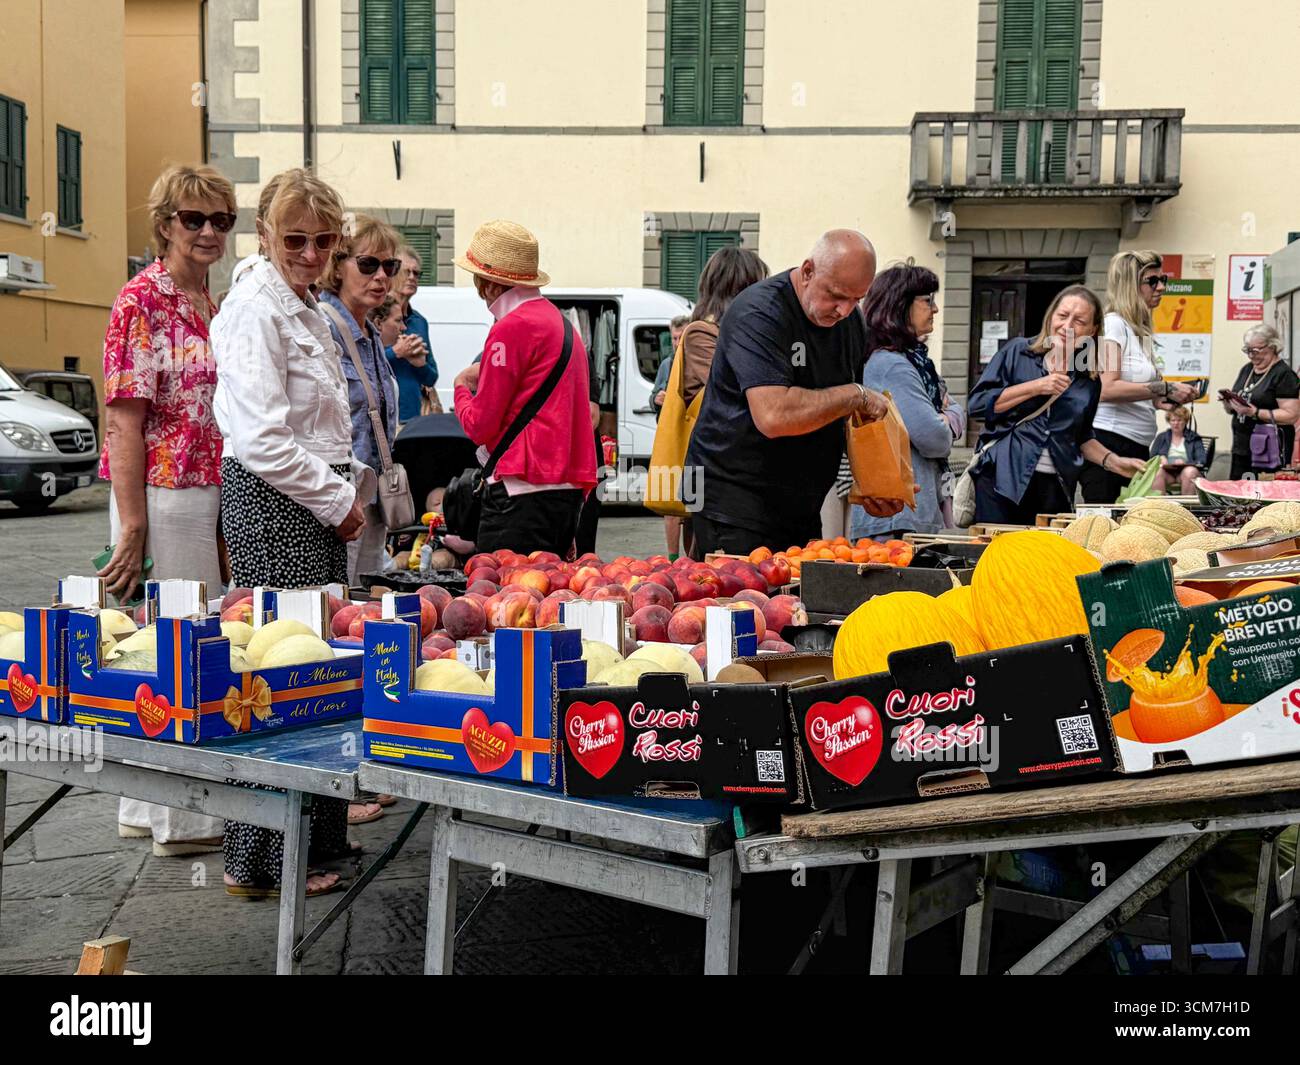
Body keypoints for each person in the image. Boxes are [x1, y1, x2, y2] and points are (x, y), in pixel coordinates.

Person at [212, 169, 377, 898]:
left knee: (320, 662)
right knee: (277, 677)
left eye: (322, 240)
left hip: (305, 501)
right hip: (279, 502)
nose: (311, 253)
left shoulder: (304, 305)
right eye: (296, 240)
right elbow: (260, 439)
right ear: (266, 237)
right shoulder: (256, 307)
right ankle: (262, 858)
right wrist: (338, 497)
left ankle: (317, 839)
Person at [100, 164, 235, 857]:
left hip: (199, 490)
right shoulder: (141, 300)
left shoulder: (210, 300)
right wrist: (133, 525)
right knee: (176, 650)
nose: (209, 231)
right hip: (162, 493)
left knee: (170, 644)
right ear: (165, 224)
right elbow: (124, 421)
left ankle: (140, 805)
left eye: (221, 219)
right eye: (194, 219)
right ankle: (183, 823)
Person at [683, 230, 897, 555]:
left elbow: (845, 417)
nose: (844, 309)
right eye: (836, 295)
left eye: (857, 299)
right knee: (745, 603)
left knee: (797, 602)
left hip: (801, 506)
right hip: (734, 503)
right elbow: (773, 415)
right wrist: (855, 394)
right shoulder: (759, 312)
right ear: (808, 271)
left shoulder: (851, 323)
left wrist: (869, 482)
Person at [452, 220, 597, 554]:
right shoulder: (561, 324)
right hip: (565, 493)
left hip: (520, 493)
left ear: (487, 283)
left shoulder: (511, 328)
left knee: (498, 600)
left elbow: (480, 425)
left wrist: (461, 386)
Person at [969, 285, 1148, 525]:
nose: (1067, 326)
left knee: (1046, 559)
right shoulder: (1018, 352)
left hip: (1056, 487)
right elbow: (978, 406)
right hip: (1003, 479)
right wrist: (1036, 386)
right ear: (1051, 316)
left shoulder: (1089, 380)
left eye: (1079, 321)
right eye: (1063, 316)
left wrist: (1115, 461)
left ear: (1092, 330)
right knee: (999, 556)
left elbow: (1082, 437)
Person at [661, 248, 768, 558]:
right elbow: (738, 388)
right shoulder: (701, 334)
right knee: (709, 561)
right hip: (713, 470)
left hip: (735, 469)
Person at [318, 214, 404, 585]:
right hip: (340, 496)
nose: (382, 276)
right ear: (337, 267)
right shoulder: (322, 326)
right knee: (340, 603)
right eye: (368, 264)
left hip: (373, 499)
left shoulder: (369, 335)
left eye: (390, 265)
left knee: (364, 602)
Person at [853, 262, 965, 539]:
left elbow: (953, 409)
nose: (935, 309)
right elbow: (934, 439)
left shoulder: (911, 363)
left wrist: (948, 415)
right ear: (900, 305)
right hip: (898, 521)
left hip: (901, 516)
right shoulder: (894, 366)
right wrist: (949, 418)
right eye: (927, 301)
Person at [1079, 250, 1198, 503]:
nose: (1161, 287)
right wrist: (1164, 388)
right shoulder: (1113, 324)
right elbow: (1107, 388)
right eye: (1152, 281)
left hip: (1136, 442)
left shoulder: (1137, 331)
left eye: (1163, 279)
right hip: (1109, 441)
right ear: (1129, 286)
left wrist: (1166, 399)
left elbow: (1140, 392)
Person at [1223, 324, 1299, 478]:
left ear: (1272, 346)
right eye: (1247, 350)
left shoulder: (1283, 374)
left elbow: (1291, 415)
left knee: (1261, 494)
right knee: (1238, 493)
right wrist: (1230, 404)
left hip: (1270, 450)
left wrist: (1255, 412)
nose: (1251, 355)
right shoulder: (1247, 369)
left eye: (1255, 350)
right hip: (1242, 446)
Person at [386, 244, 438, 422]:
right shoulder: (374, 314)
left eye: (416, 273)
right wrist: (396, 353)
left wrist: (420, 365)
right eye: (406, 271)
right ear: (392, 272)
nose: (412, 277)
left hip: (413, 419)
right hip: (382, 419)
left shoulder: (419, 322)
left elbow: (432, 378)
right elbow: (360, 365)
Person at [1150, 406, 1209, 495]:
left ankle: (1186, 507)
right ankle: (1160, 506)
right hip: (1167, 473)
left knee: (1189, 472)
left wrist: (1186, 462)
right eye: (1173, 420)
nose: (1176, 423)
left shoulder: (1194, 437)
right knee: (1157, 472)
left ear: (1185, 421)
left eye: (1179, 420)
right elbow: (1152, 457)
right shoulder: (1162, 437)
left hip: (1185, 473)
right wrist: (1160, 458)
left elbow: (1202, 460)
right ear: (1169, 421)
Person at [652, 314, 690, 417]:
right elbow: (653, 398)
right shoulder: (666, 364)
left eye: (681, 337)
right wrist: (655, 399)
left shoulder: (697, 364)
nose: (677, 343)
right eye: (674, 338)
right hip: (668, 428)